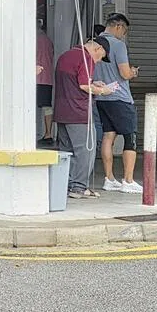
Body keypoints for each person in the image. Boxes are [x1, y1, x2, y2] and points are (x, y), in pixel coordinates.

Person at [54, 36, 114, 198]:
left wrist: (95, 83)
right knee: (85, 150)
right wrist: (103, 91)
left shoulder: (66, 55)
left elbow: (74, 82)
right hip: (78, 112)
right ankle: (78, 187)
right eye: (101, 57)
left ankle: (65, 185)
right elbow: (83, 86)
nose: (99, 61)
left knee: (66, 152)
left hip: (62, 111)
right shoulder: (87, 58)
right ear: (98, 49)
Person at [94, 14, 142, 194]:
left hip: (101, 97)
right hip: (120, 98)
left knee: (108, 136)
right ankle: (128, 180)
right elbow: (124, 73)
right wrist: (133, 72)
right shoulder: (118, 45)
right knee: (130, 137)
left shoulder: (95, 44)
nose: (124, 35)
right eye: (124, 31)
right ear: (118, 26)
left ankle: (109, 178)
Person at [36, 20, 56, 146]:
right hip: (47, 77)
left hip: (35, 77)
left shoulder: (32, 39)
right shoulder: (48, 40)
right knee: (47, 107)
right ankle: (48, 133)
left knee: (28, 106)